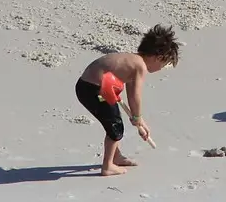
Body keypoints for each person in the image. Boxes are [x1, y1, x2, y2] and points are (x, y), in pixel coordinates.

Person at [75, 24, 180, 176]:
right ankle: (107, 166)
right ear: (158, 57)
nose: (161, 69)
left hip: (88, 86)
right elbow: (136, 95)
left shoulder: (133, 60)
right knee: (115, 127)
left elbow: (130, 92)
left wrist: (139, 120)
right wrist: (137, 117)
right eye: (163, 64)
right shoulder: (140, 66)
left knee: (112, 122)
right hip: (93, 89)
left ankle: (115, 156)